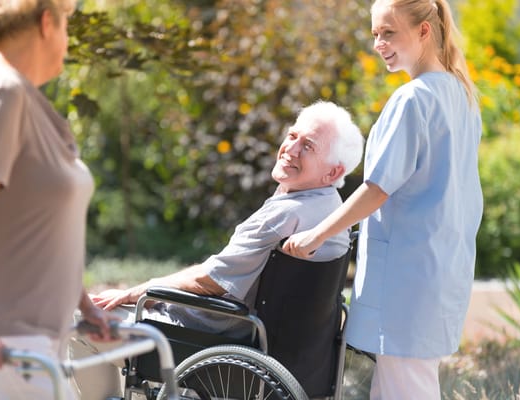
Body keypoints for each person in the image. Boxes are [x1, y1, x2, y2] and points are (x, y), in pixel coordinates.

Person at [69, 100, 365, 399]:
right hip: (295, 357)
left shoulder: (285, 215)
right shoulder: (332, 210)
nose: (291, 148)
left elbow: (209, 282)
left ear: (333, 172)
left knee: (80, 324)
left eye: (308, 146)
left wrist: (140, 292)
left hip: (216, 339)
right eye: (292, 136)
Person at [282, 1, 482, 399]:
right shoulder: (462, 96)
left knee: (402, 388)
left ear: (424, 31)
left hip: (408, 280)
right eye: (375, 33)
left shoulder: (413, 100)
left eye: (388, 32)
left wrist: (315, 235)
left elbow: (377, 188)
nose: (378, 43)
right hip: (441, 270)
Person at [0, 1, 117, 399]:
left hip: (20, 327)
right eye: (67, 23)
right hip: (4, 329)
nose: (67, 41)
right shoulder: (4, 91)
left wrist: (83, 305)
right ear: (47, 22)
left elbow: (33, 220)